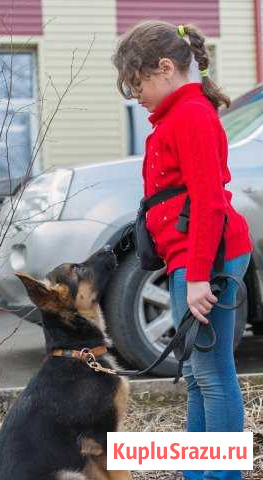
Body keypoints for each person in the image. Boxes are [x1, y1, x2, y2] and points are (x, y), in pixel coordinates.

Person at [111, 20, 253, 480]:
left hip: (207, 259)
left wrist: (196, 276)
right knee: (196, 376)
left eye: (138, 83)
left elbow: (210, 202)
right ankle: (198, 473)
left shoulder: (192, 115)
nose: (136, 95)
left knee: (213, 375)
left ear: (165, 67)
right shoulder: (178, 114)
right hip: (190, 258)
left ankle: (222, 475)